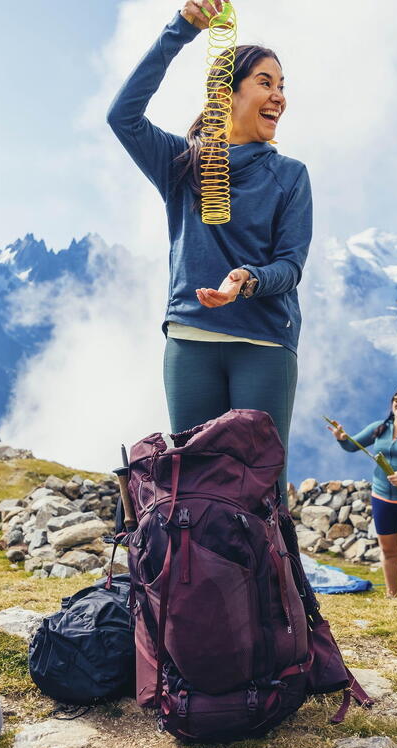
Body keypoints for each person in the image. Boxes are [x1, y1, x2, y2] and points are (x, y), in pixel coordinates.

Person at [107, 0, 312, 501]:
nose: (279, 96)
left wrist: (249, 279)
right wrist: (181, 30)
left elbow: (291, 265)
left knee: (261, 490)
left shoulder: (289, 175)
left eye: (282, 86)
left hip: (263, 344)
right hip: (191, 339)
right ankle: (194, 582)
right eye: (266, 82)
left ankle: (271, 583)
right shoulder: (182, 164)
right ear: (228, 91)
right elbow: (123, 116)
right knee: (193, 486)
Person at [329, 386, 397, 597]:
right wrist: (341, 437)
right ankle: (392, 596)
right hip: (382, 500)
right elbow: (352, 446)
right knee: (389, 552)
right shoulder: (380, 427)